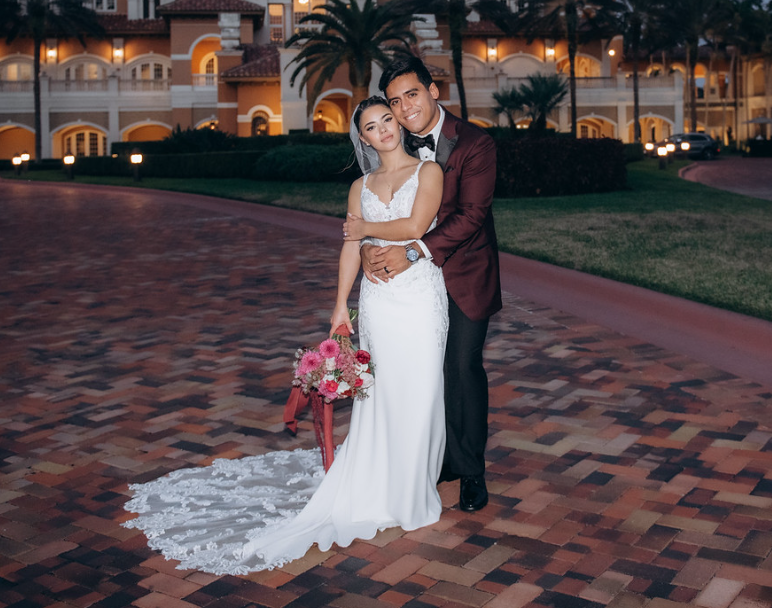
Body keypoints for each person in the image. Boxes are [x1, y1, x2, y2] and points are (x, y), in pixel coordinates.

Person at [122, 96, 449, 575]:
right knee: (378, 397)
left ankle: (412, 491)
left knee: (420, 392)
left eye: (387, 120)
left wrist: (365, 229)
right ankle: (379, 485)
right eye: (372, 127)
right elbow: (350, 248)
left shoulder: (430, 171)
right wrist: (341, 304)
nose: (384, 131)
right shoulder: (360, 185)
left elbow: (417, 226)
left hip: (420, 297)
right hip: (377, 301)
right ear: (362, 137)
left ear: (398, 121)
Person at [362, 56, 501, 513]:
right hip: (409, 284)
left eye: (413, 95)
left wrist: (414, 250)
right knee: (419, 369)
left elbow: (472, 216)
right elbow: (376, 207)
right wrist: (367, 246)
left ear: (433, 91)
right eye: (396, 102)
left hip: (462, 273)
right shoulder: (393, 145)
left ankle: (471, 471)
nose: (404, 109)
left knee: (460, 369)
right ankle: (434, 458)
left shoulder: (475, 143)